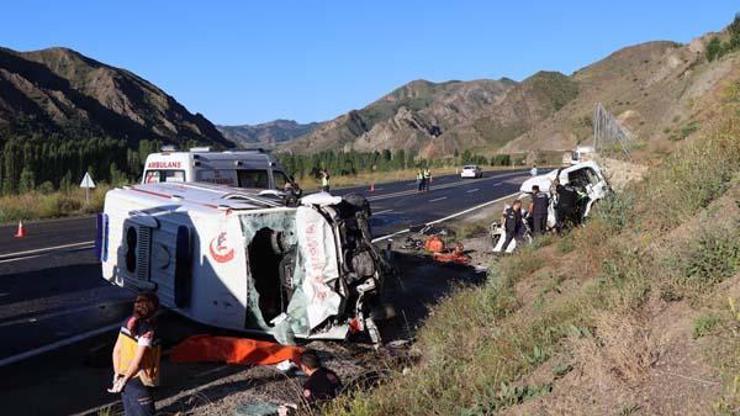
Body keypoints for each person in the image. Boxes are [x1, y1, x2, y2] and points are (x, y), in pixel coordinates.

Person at [110, 292, 161, 416]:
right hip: (139, 379)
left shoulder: (127, 322)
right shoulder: (147, 331)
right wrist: (126, 379)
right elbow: (138, 362)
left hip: (123, 376)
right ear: (154, 309)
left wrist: (118, 375)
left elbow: (116, 351)